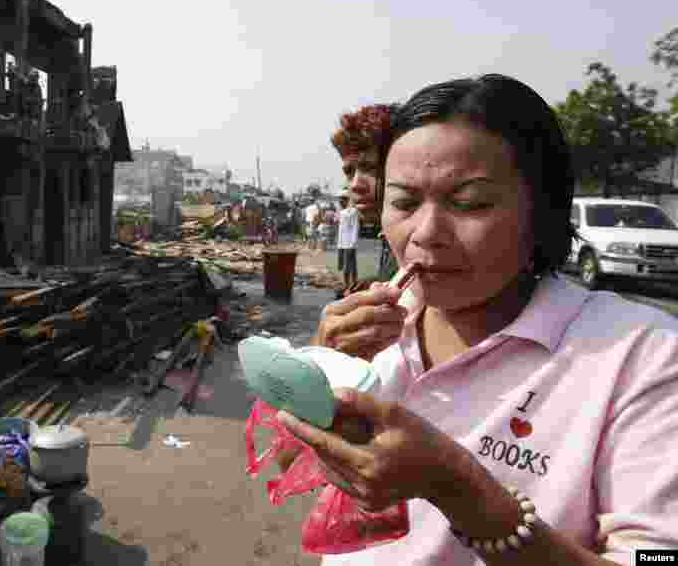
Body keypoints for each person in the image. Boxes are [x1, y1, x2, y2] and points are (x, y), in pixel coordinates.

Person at [278, 74, 678, 564]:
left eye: (469, 203)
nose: (425, 234)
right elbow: (284, 461)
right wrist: (315, 372)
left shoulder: (645, 355)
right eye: (404, 202)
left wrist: (459, 488)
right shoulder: (369, 327)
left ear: (543, 211)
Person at [330, 103, 399, 283]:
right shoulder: (390, 237)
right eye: (349, 172)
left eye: (369, 168)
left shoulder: (421, 241)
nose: (355, 186)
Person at [336, 194, 360, 290]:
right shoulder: (342, 212)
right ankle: (351, 284)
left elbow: (355, 226)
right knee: (347, 264)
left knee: (348, 265)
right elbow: (341, 230)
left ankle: (349, 285)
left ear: (346, 200)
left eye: (342, 200)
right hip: (342, 242)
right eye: (339, 200)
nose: (340, 202)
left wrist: (353, 241)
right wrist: (339, 244)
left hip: (350, 242)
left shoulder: (353, 211)